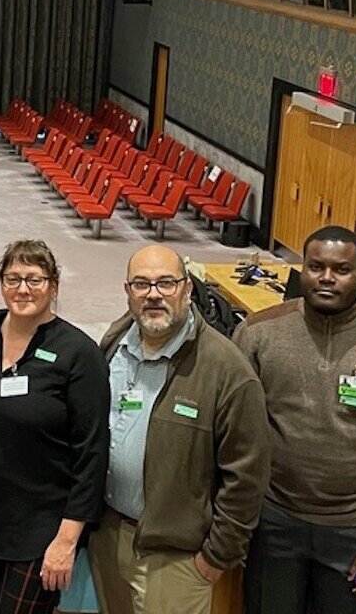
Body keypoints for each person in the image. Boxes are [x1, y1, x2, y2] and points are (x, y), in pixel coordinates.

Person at [233, 226, 356, 614]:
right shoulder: (258, 334)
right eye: (315, 266)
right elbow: (235, 433)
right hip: (273, 524)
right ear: (301, 269)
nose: (326, 278)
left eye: (341, 269)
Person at [89, 245, 269, 614]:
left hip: (177, 559)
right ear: (128, 292)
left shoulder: (226, 370)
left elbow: (247, 476)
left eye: (165, 283)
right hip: (109, 538)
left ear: (187, 289)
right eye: (141, 284)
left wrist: (216, 556)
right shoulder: (113, 345)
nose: (153, 294)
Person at [0, 240, 109, 614]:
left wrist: (67, 539)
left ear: (54, 286)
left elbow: (92, 452)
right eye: (13, 278)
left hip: (43, 529)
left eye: (34, 279)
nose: (23, 289)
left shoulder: (79, 353)